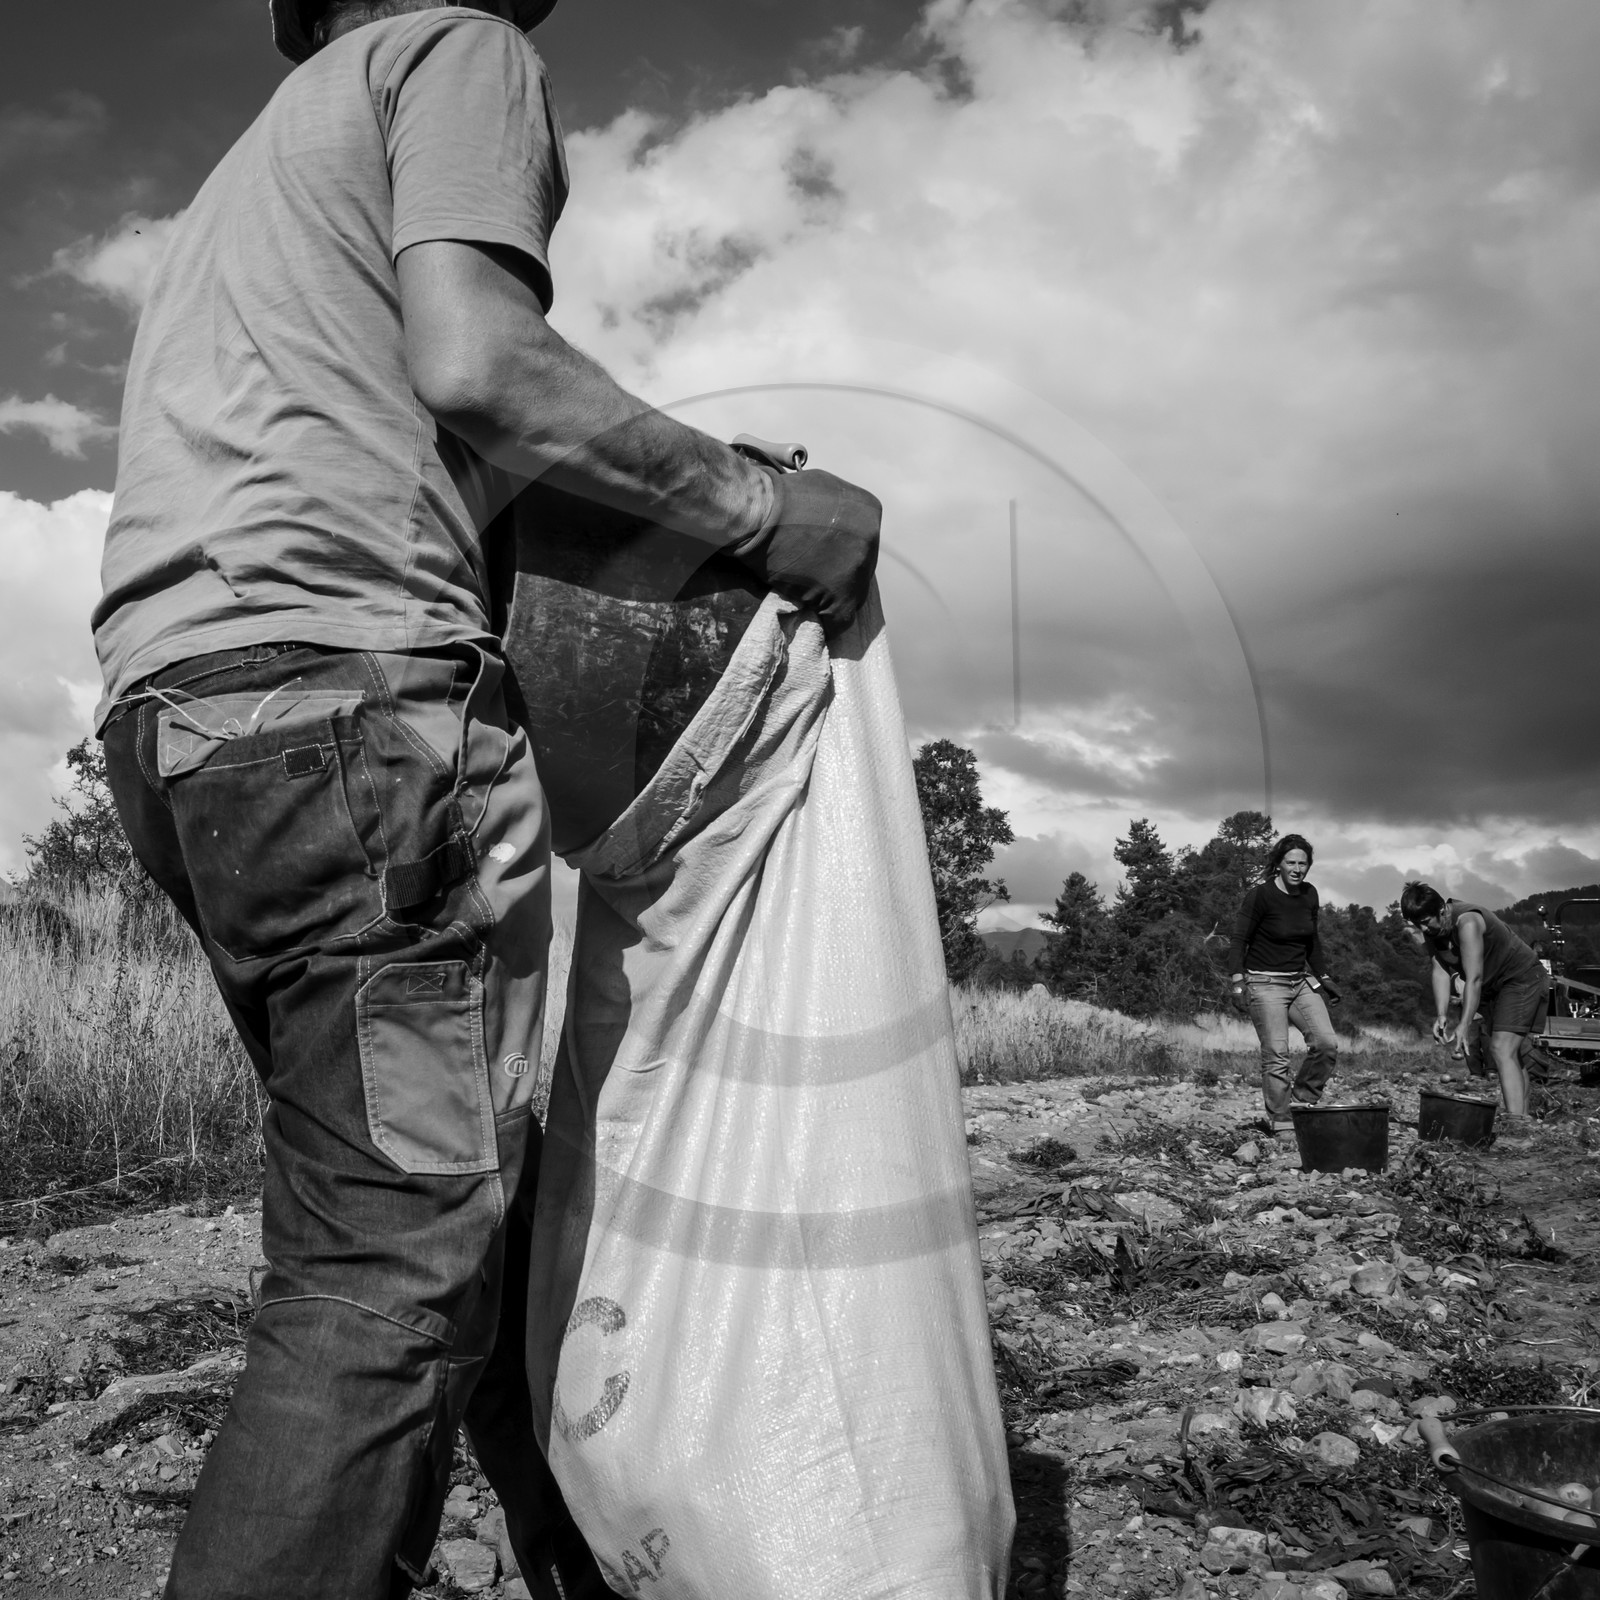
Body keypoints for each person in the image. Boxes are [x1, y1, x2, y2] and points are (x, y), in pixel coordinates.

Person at [90, 3, 881, 1596]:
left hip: (185, 725)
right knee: (391, 1257)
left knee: (465, 1220)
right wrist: (759, 503)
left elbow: (409, 434)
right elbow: (480, 364)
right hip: (355, 711)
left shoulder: (257, 172)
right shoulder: (452, 52)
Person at [1399, 882, 1547, 1127]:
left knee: (1501, 1048)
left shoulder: (1467, 922)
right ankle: (1523, 1120)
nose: (1424, 928)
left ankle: (1516, 1126)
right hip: (1494, 987)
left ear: (1442, 910)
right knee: (1512, 1053)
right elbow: (1439, 969)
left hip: (1521, 978)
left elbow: (1474, 978)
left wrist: (1465, 1023)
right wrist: (1441, 1014)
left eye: (1426, 921)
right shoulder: (1433, 930)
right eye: (1418, 924)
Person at [1228, 833, 1340, 1133]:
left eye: (1303, 863)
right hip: (1265, 983)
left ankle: (1301, 1100)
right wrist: (1238, 981)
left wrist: (1324, 976)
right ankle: (1280, 1118)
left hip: (1300, 981)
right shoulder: (1260, 895)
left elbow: (1312, 939)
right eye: (1290, 862)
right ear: (1278, 863)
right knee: (1277, 1054)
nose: (1297, 869)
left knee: (1326, 1044)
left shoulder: (1310, 894)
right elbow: (1240, 939)